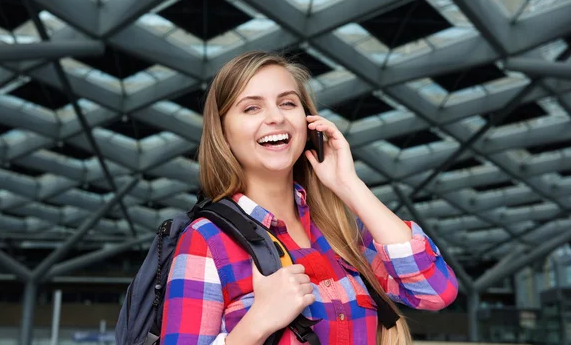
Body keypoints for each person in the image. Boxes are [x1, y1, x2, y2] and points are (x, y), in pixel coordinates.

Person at [160, 51, 458, 345]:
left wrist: (349, 185)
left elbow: (435, 291)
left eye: (288, 103)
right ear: (223, 133)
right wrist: (256, 325)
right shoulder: (208, 240)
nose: (275, 117)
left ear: (308, 122)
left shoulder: (340, 231)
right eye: (251, 108)